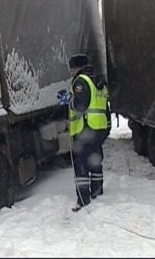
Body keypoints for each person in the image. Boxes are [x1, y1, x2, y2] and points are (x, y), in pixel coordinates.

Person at [67, 53, 111, 212]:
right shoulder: (98, 81)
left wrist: (68, 101)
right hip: (98, 128)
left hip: (85, 129)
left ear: (77, 67)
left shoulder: (81, 81)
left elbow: (80, 105)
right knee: (95, 161)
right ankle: (98, 192)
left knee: (81, 165)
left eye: (72, 68)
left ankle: (83, 199)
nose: (71, 72)